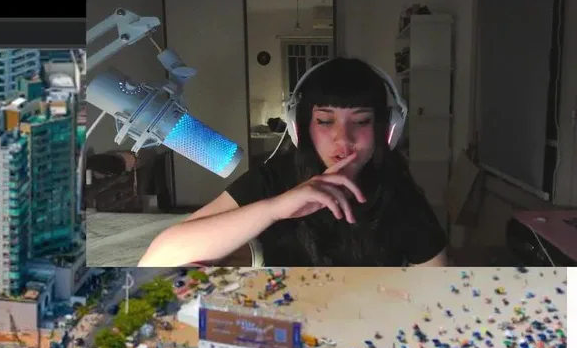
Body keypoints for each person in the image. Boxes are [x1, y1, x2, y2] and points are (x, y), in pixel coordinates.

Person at [138, 58, 449, 267]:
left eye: (361, 121)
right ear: (301, 128)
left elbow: (443, 291)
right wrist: (277, 208)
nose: (343, 139)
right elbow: (159, 257)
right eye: (325, 121)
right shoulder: (273, 178)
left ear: (387, 129)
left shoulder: (398, 193)